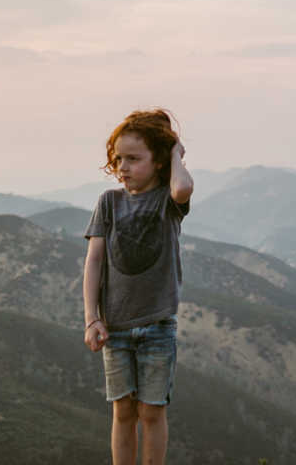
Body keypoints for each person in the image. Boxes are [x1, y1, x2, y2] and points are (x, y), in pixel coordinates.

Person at [83, 109, 194, 465]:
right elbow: (94, 261)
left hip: (158, 325)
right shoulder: (109, 203)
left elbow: (182, 187)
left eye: (134, 158)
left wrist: (175, 151)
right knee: (123, 412)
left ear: (158, 161)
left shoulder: (167, 202)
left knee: (151, 412)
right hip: (115, 327)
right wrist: (91, 318)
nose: (124, 167)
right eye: (119, 159)